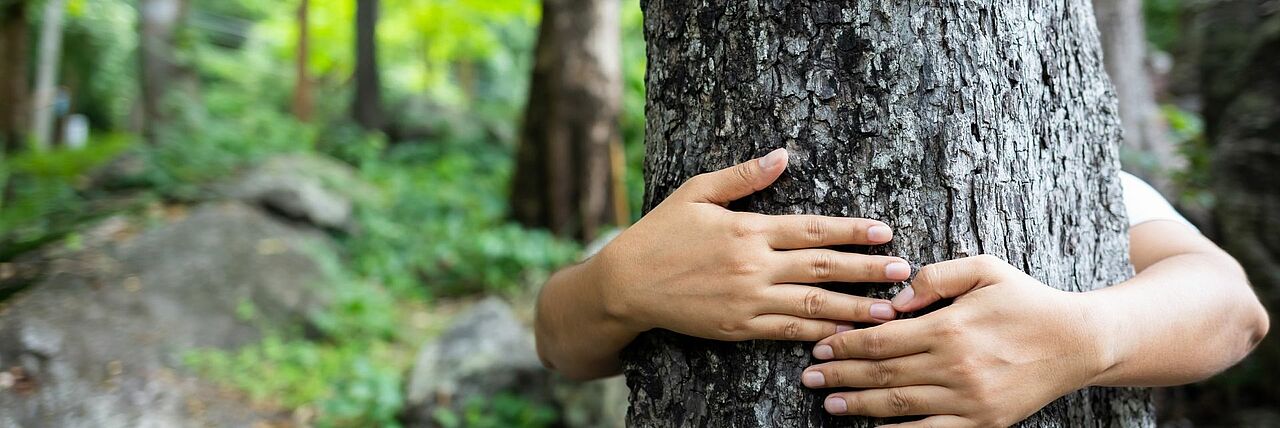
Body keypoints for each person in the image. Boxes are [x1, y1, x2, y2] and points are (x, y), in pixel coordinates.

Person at [534, 148, 1270, 427]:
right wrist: (615, 284)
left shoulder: (1071, 178)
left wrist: (1088, 338)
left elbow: (1233, 309)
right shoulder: (695, 208)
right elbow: (559, 338)